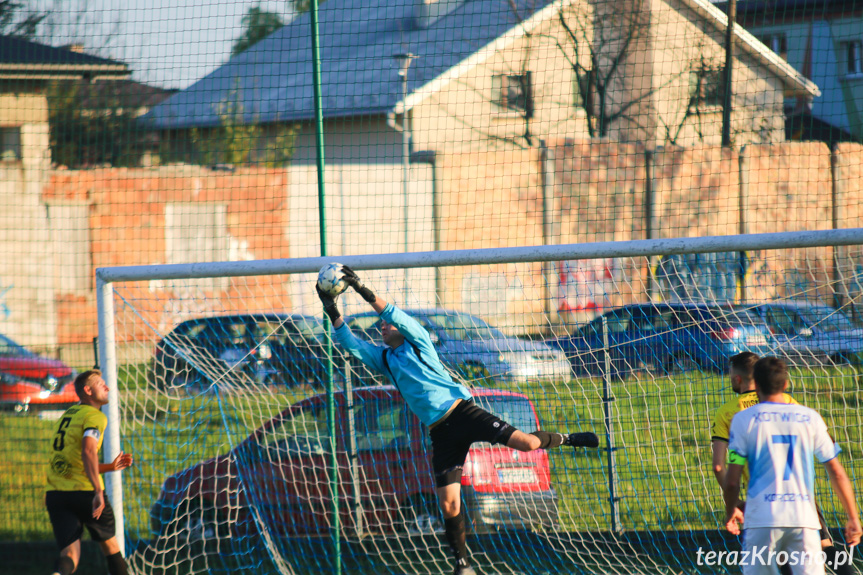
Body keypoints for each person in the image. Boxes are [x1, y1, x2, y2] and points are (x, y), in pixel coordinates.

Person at [316, 267, 599, 575]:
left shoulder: (419, 342)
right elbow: (351, 343)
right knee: (450, 504)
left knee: (528, 443)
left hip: (463, 413)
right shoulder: (385, 360)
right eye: (380, 326)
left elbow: (396, 315)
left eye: (386, 324)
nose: (382, 327)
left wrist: (360, 287)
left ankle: (569, 439)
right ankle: (462, 566)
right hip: (441, 433)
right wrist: (330, 307)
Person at [712, 353, 853, 575]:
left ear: (742, 379)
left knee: (779, 560)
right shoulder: (798, 409)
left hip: (761, 508)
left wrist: (732, 506)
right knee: (824, 545)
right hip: (801, 503)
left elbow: (721, 467)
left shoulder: (735, 415)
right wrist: (853, 516)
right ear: (785, 384)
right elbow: (834, 465)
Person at [45, 370, 134, 575]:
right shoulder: (95, 416)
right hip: (85, 493)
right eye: (101, 384)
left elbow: (79, 462)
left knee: (69, 556)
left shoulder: (67, 416)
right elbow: (88, 450)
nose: (107, 387)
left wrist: (110, 467)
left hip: (56, 494)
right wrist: (97, 491)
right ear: (88, 390)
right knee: (111, 549)